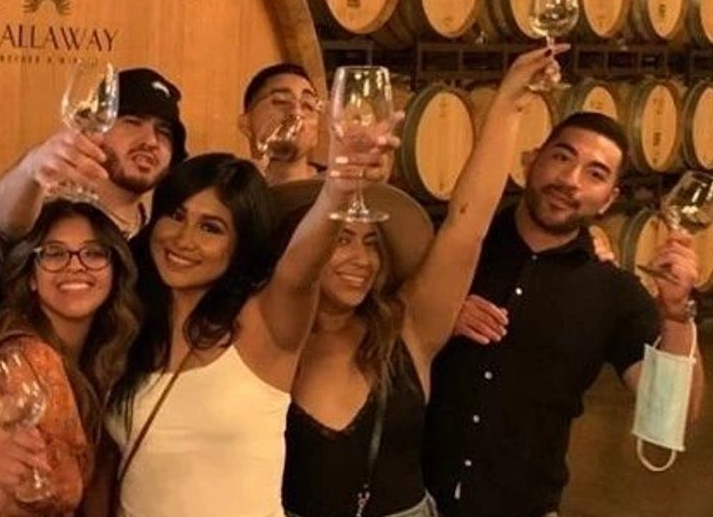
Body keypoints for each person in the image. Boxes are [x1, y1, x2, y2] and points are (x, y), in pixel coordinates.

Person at [277, 48, 560, 517]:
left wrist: (510, 102)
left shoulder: (405, 327)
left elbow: (466, 227)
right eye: (342, 238)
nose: (360, 259)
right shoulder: (274, 336)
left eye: (371, 243)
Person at [103, 105, 399, 517]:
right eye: (176, 215)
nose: (183, 239)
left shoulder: (261, 322)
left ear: (240, 244)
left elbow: (301, 272)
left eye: (211, 227)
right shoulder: (131, 325)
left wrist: (338, 190)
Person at [425, 111, 706, 517]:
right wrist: (435, 313)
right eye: (561, 157)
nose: (571, 180)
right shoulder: (457, 246)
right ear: (531, 160)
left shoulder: (614, 293)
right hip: (414, 502)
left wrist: (677, 314)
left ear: (609, 199)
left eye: (595, 174)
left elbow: (671, 421)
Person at [0, 201, 143, 516]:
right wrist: (1, 487)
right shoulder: (20, 361)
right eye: (54, 253)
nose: (75, 266)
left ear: (115, 271)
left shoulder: (103, 362)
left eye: (94, 253)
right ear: (31, 277)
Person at [0, 67, 188, 240]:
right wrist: (30, 168)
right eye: (132, 122)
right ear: (93, 129)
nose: (151, 141)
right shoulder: (50, 211)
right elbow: (8, 224)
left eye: (164, 131)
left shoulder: (162, 237)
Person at [239, 63, 323, 185]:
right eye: (281, 101)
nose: (297, 112)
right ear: (245, 124)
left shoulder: (338, 189)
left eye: (308, 105)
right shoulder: (227, 192)